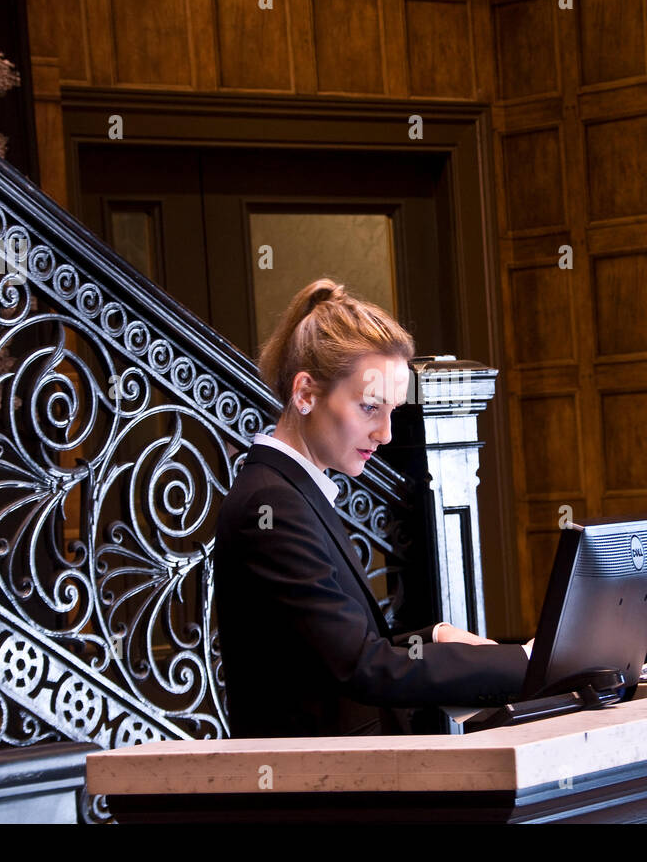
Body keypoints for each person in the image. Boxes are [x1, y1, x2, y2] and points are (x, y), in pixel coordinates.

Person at [213, 278, 533, 738]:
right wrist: (525, 663)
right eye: (369, 408)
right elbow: (361, 667)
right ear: (305, 394)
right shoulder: (272, 505)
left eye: (392, 411)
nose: (385, 434)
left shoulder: (293, 489)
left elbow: (336, 651)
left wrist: (434, 638)